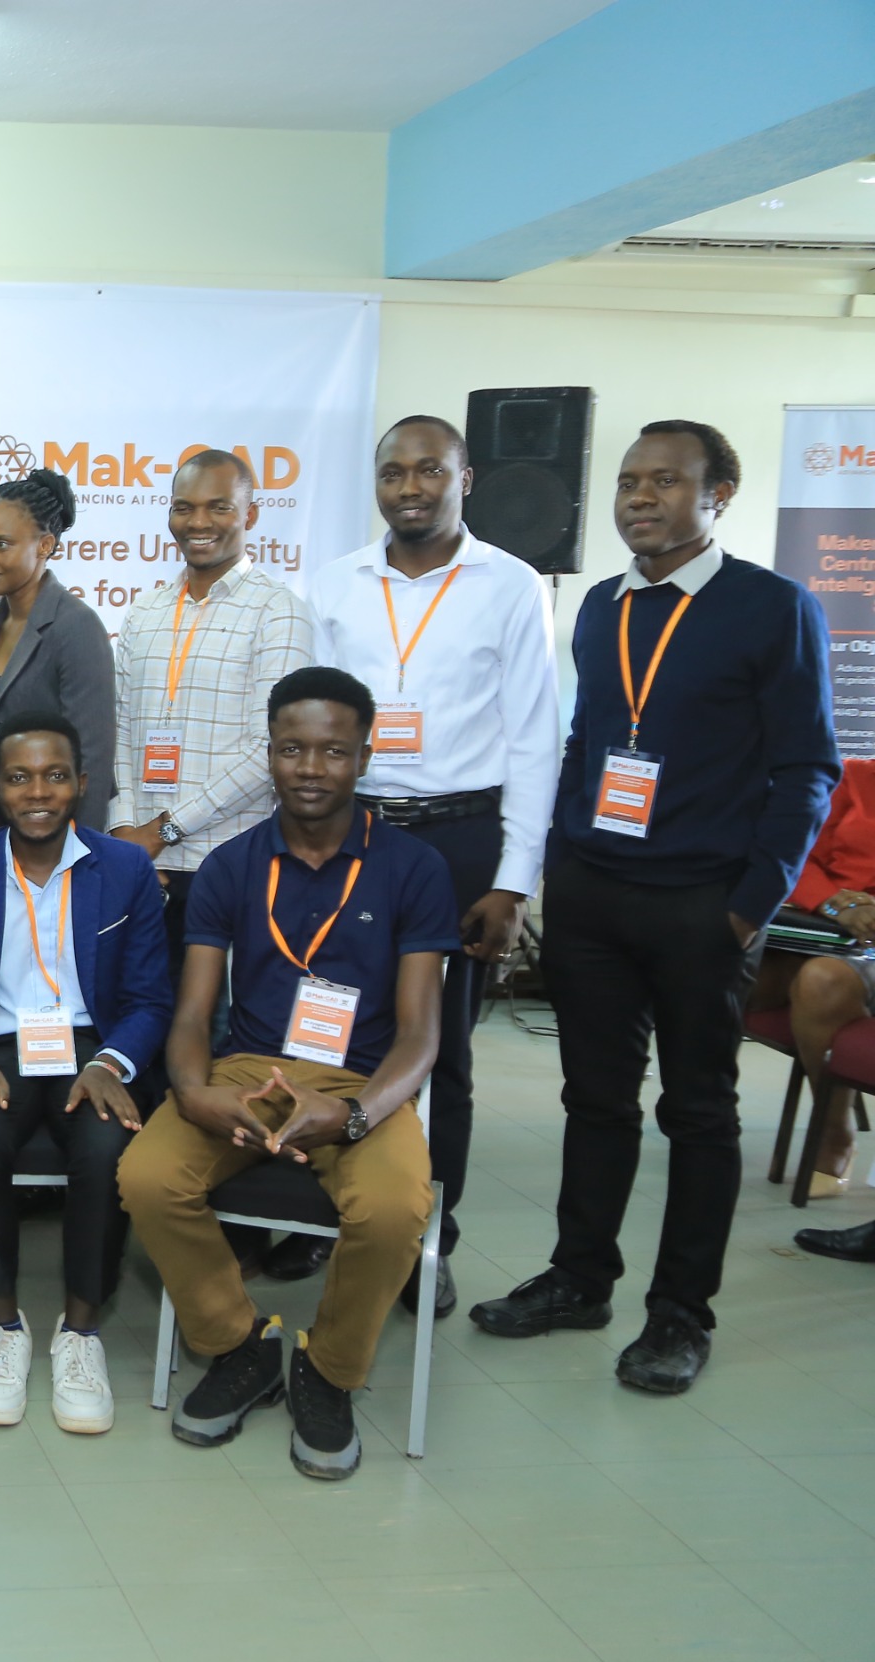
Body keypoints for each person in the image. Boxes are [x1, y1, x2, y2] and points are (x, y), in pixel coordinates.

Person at [472, 423, 840, 1393]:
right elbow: (589, 738)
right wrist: (556, 860)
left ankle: (679, 1313)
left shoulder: (773, 607)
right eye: (630, 481)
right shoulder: (600, 607)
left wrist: (748, 904)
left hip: (700, 903)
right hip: (592, 892)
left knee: (698, 1110)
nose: (639, 497)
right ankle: (580, 1277)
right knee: (593, 1099)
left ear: (717, 492)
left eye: (665, 481)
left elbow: (807, 767)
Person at [117, 667, 455, 1481]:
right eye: (293, 749)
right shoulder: (233, 866)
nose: (311, 768)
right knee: (148, 1176)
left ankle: (330, 1372)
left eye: (333, 751)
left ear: (364, 757)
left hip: (359, 1085)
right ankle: (241, 1347)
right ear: (267, 755)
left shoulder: (413, 867)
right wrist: (195, 1092)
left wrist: (356, 1117)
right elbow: (193, 1013)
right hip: (248, 1075)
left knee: (390, 1207)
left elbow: (420, 1035)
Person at [298, 415, 561, 1314]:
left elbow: (535, 737)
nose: (411, 487)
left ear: (465, 479)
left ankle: (426, 1239)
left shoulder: (512, 585)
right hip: (349, 833)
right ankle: (316, 1211)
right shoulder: (335, 585)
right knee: (323, 1030)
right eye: (393, 472)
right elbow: (312, 727)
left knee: (439, 1051)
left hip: (458, 840)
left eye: (429, 472)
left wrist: (512, 879)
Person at [0, 713, 172, 1433]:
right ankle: (3, 1326)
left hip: (94, 1048)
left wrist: (112, 1062)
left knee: (106, 1146)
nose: (39, 792)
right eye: (20, 777)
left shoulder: (124, 869)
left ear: (82, 785)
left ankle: (81, 1332)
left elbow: (153, 997)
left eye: (55, 776)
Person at [108, 451, 314, 967]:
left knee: (216, 1029)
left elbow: (270, 749)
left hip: (228, 863)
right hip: (141, 866)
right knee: (141, 1018)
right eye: (184, 507)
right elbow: (118, 731)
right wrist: (124, 834)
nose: (198, 523)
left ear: (250, 514)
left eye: (219, 507)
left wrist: (161, 832)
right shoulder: (144, 611)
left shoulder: (279, 611)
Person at [0, 471, 116, 836]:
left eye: (1, 544)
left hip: (54, 837)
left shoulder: (76, 626)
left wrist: (81, 855)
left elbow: (92, 759)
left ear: (44, 546)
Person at [767, 758, 875, 1220]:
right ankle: (700, 1120)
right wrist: (835, 902)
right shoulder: (851, 776)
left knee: (820, 980)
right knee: (715, 962)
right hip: (825, 928)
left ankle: (833, 1133)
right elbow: (796, 849)